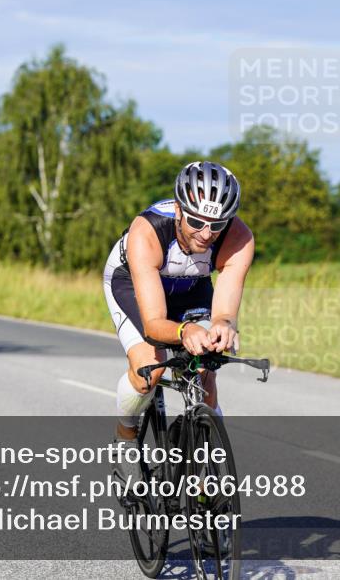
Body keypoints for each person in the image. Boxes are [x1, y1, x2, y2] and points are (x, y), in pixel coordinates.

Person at [102, 161, 255, 479]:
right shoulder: (148, 230)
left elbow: (225, 312)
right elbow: (155, 323)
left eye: (217, 224)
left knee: (207, 367)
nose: (206, 233)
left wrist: (223, 327)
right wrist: (185, 330)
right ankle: (125, 437)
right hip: (131, 282)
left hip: (191, 288)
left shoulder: (238, 238)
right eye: (197, 221)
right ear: (179, 209)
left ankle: (210, 464)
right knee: (150, 367)